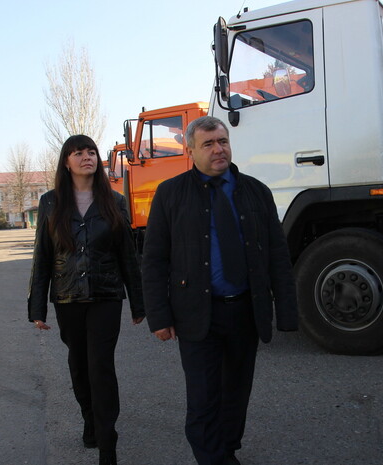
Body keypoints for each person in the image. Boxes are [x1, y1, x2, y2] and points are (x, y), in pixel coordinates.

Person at [142, 116, 298, 465]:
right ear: (191, 150)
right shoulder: (170, 194)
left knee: (236, 394)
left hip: (244, 311)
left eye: (223, 141)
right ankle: (213, 459)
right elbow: (154, 260)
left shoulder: (256, 191)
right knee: (203, 398)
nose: (218, 150)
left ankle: (227, 449)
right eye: (208, 144)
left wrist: (287, 312)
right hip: (197, 314)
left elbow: (277, 255)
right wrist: (159, 316)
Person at [27, 134, 144, 465]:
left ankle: (108, 444)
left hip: (106, 296)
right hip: (67, 298)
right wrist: (37, 307)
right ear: (66, 162)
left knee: (100, 366)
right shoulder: (51, 202)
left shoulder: (114, 201)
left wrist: (139, 302)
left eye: (91, 152)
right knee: (79, 366)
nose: (86, 157)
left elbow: (128, 255)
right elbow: (42, 256)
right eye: (78, 153)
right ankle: (90, 420)